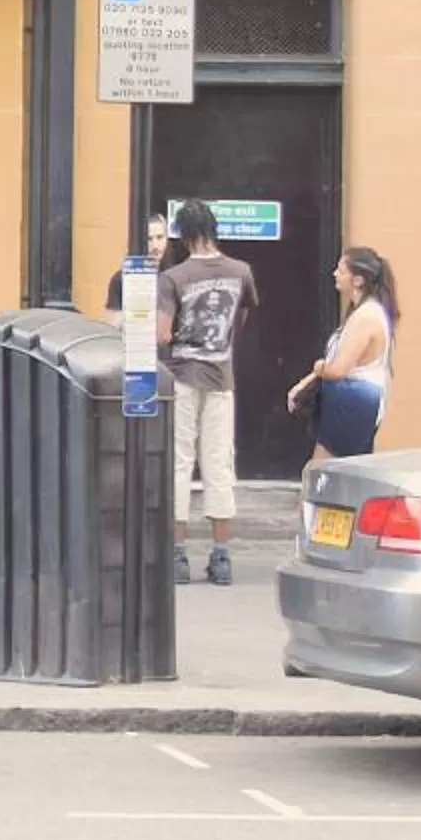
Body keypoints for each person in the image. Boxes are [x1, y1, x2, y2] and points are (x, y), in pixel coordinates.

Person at [157, 199, 256, 587]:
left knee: (179, 461)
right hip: (222, 376)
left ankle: (178, 554)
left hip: (182, 374)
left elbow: (163, 334)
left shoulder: (174, 278)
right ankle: (221, 555)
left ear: (182, 233)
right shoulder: (241, 272)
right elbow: (241, 319)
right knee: (218, 463)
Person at [292, 247, 397, 461]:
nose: (335, 274)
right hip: (352, 400)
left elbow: (338, 369)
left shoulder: (366, 317)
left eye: (341, 270)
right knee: (328, 471)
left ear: (358, 280)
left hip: (352, 403)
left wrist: (318, 367)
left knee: (323, 471)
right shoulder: (361, 313)